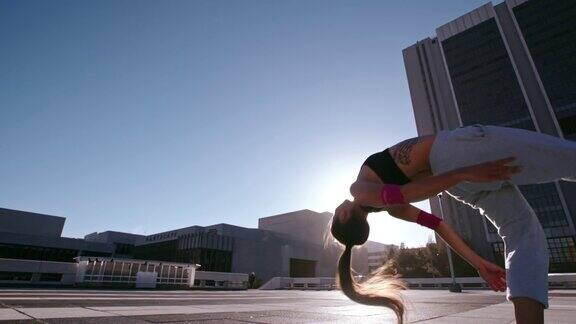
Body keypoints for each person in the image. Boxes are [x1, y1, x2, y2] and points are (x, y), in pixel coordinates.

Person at [330, 124, 576, 324]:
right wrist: (464, 172)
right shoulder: (360, 190)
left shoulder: (394, 211)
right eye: (335, 213)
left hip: (457, 185)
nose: (337, 208)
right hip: (458, 156)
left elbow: (438, 225)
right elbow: (403, 193)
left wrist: (478, 263)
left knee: (523, 234)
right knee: (566, 157)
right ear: (343, 216)